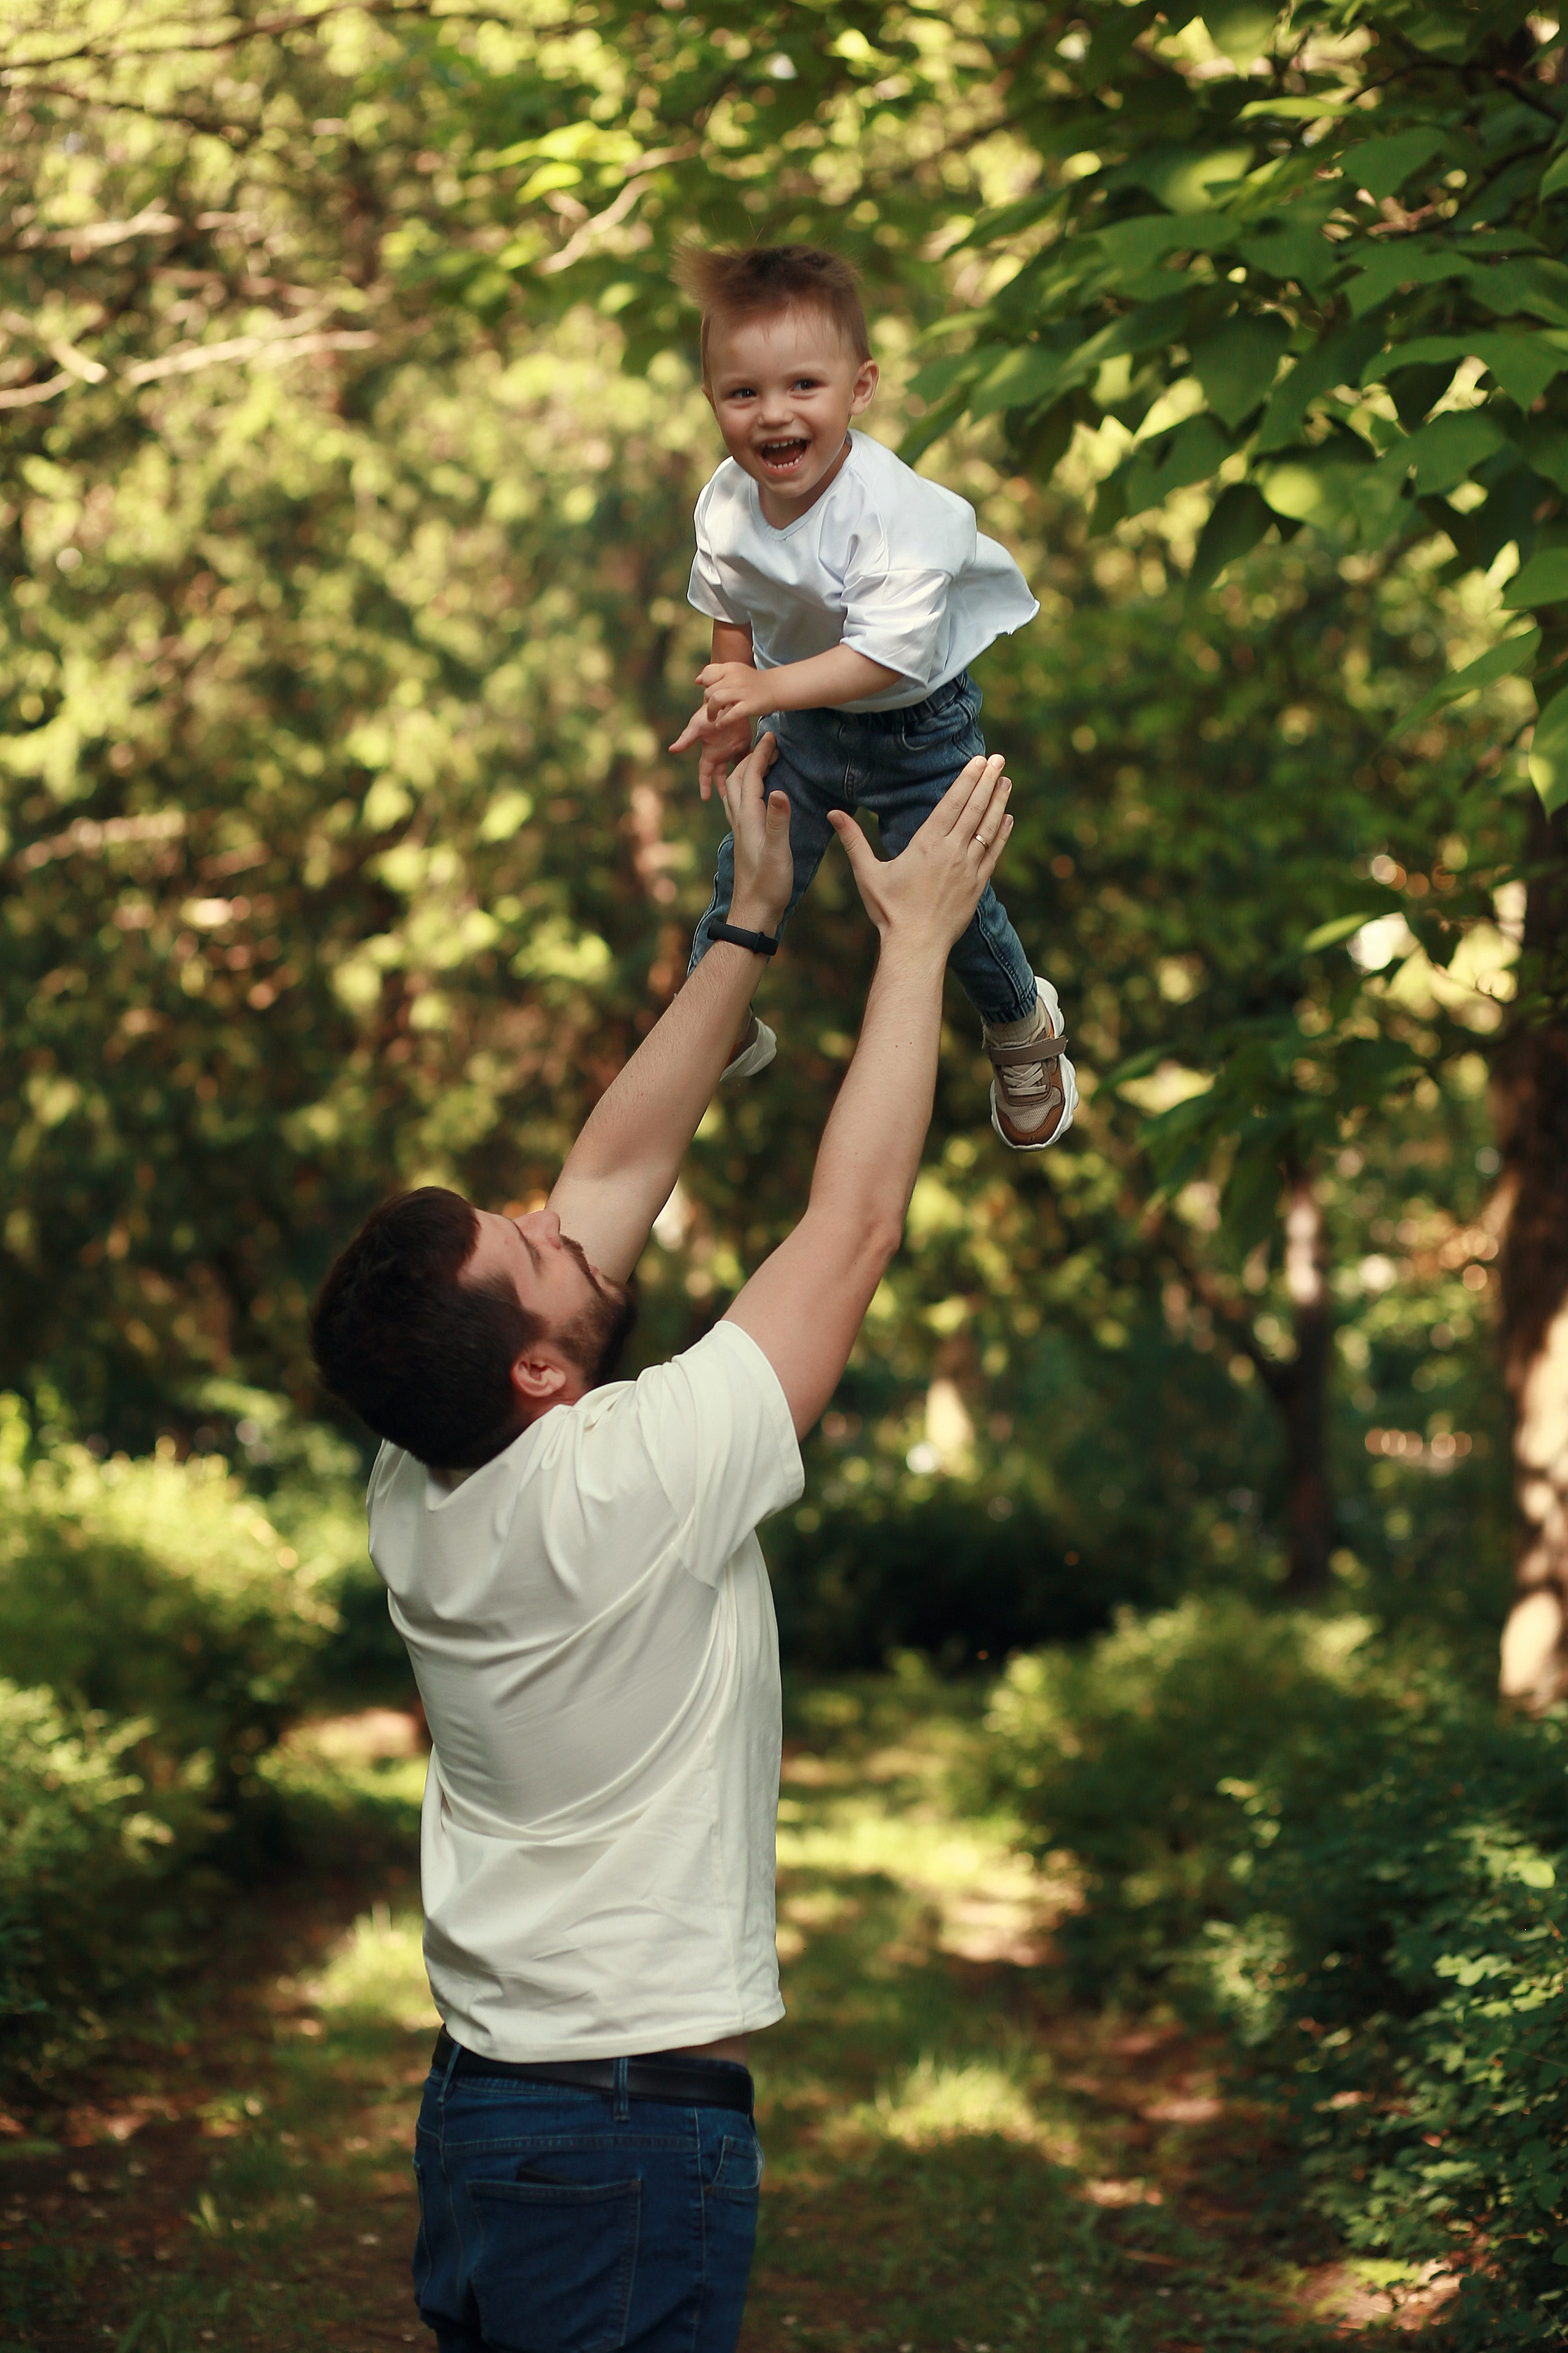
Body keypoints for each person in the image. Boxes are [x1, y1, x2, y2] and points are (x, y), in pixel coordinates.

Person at [309, 731, 1016, 2352]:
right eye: (531, 1246)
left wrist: (748, 924)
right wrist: (916, 945)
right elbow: (851, 1230)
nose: (557, 1213)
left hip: (495, 2112)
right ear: (540, 1369)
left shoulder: (424, 1480)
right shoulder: (622, 1487)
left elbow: (615, 1170)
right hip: (616, 2137)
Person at [668, 241, 1076, 1155]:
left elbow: (883, 662)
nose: (773, 414)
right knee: (751, 859)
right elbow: (728, 607)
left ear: (859, 388)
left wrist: (763, 686)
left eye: (803, 386)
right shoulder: (728, 503)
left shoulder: (894, 512)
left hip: (916, 727)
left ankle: (1021, 1023)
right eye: (743, 393)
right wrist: (732, 718)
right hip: (804, 720)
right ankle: (716, 1011)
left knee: (952, 901)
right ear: (713, 399)